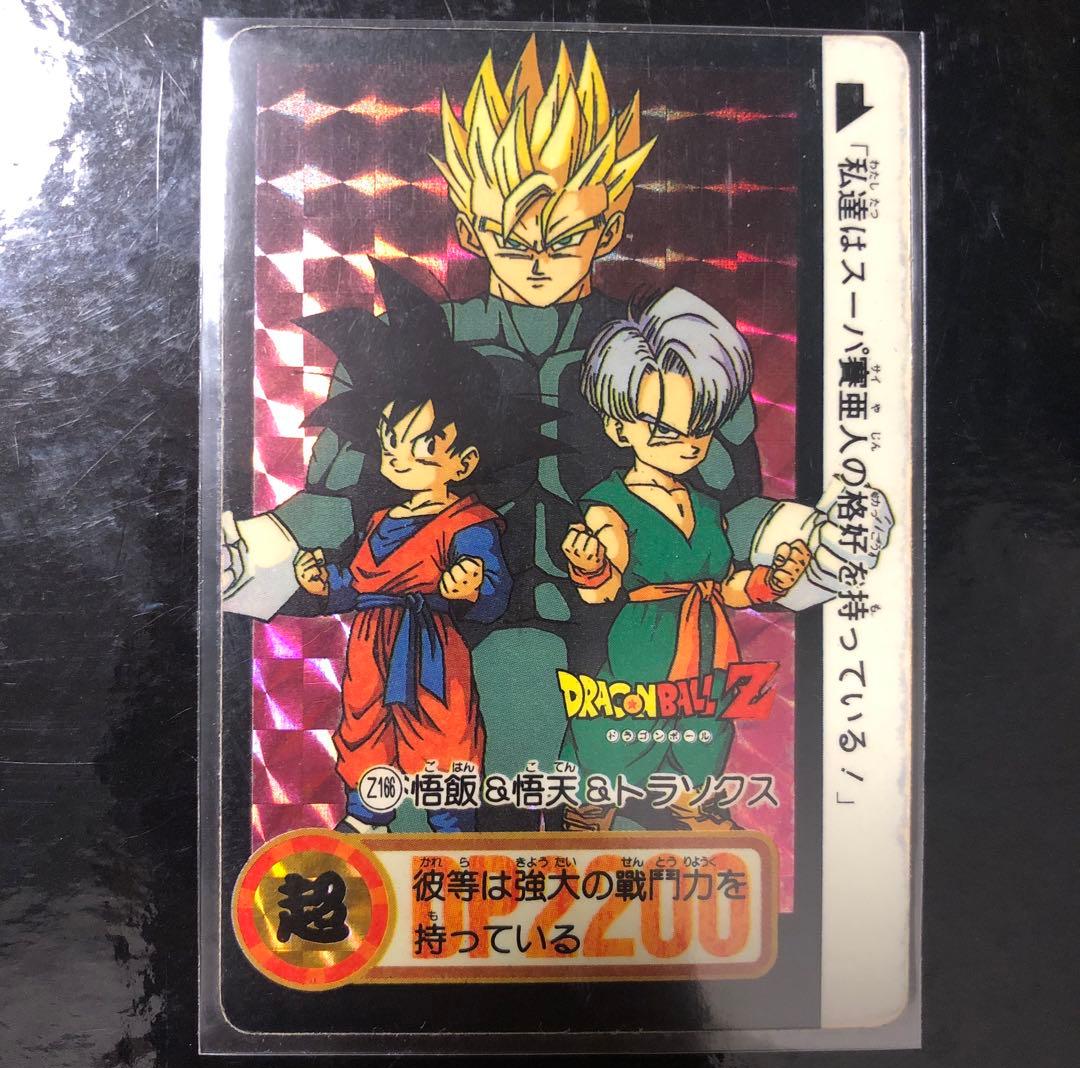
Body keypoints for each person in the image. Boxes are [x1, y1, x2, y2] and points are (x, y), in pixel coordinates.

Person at [222, 39, 893, 830]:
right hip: (447, 656)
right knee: (428, 846)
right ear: (471, 227)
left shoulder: (663, 350)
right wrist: (252, 551)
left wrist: (815, 539)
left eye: (564, 239)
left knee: (641, 851)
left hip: (628, 659)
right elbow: (339, 503)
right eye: (513, 239)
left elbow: (731, 508)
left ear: (608, 226)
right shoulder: (412, 342)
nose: (537, 262)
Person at [289, 261, 563, 833]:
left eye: (421, 448)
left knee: (445, 739)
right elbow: (357, 584)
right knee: (366, 733)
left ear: (464, 461)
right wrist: (324, 583)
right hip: (371, 651)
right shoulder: (382, 518)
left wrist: (471, 587)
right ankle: (366, 818)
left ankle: (452, 827)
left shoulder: (469, 521)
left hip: (432, 651)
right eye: (392, 445)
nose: (400, 459)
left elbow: (491, 594)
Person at [559, 288, 811, 831]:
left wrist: (771, 581)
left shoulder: (705, 506)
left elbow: (727, 586)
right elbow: (603, 589)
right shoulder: (610, 504)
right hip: (645, 643)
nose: (687, 444)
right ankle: (590, 810)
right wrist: (590, 564)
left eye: (699, 428)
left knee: (706, 727)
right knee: (623, 726)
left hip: (709, 642)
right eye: (664, 429)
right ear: (619, 427)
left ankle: (697, 806)